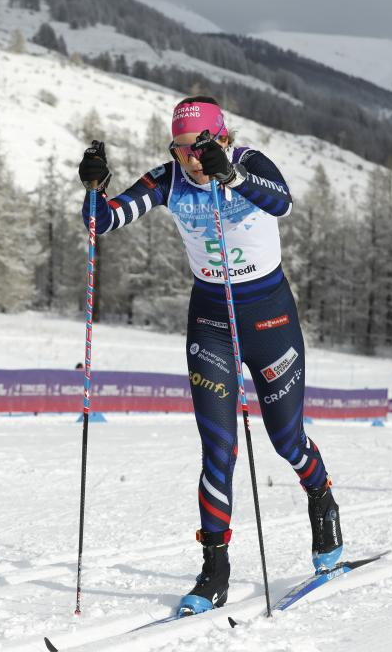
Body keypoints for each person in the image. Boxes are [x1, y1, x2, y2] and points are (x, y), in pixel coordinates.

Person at [77, 96, 343, 616]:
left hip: (269, 320)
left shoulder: (250, 162)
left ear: (222, 138)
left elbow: (283, 203)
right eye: (180, 149)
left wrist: (233, 178)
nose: (191, 159)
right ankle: (214, 570)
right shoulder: (168, 179)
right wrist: (93, 190)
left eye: (199, 147)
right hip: (212, 322)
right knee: (218, 449)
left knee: (287, 440)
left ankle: (321, 497)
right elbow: (102, 223)